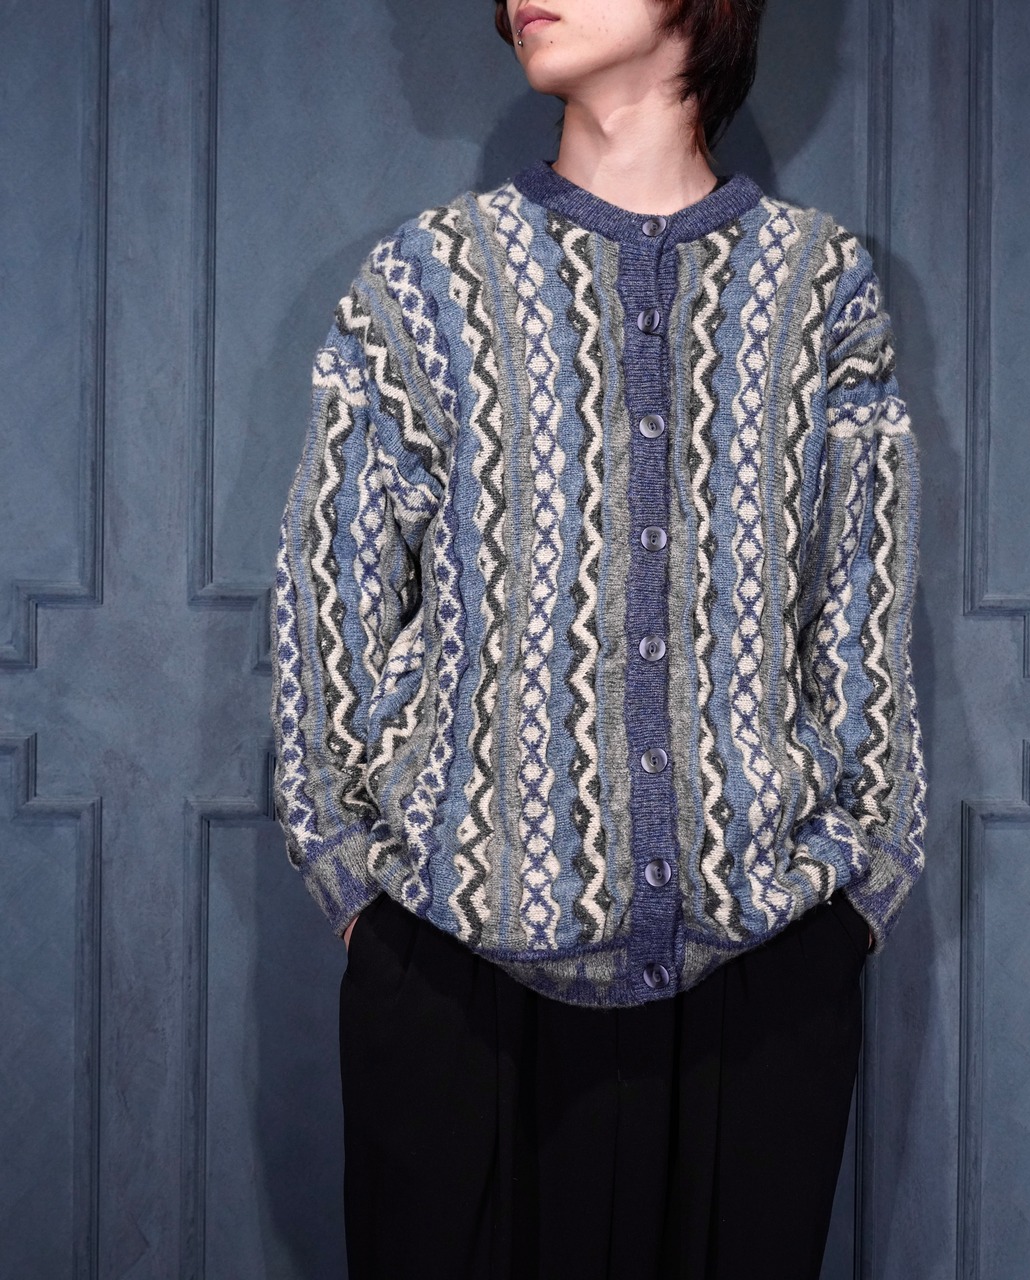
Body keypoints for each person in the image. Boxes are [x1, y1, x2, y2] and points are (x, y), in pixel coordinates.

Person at [269, 0, 927, 1275]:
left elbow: (863, 596)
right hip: (452, 968)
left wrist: (863, 885)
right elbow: (326, 595)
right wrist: (352, 881)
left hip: (762, 973)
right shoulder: (427, 280)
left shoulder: (819, 285)